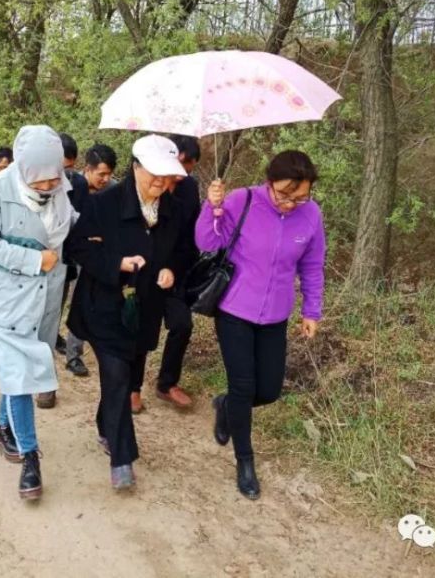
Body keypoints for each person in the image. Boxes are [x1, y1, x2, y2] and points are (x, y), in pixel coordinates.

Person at [196, 150, 326, 500]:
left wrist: (311, 311)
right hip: (235, 309)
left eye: (300, 197)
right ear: (269, 183)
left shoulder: (311, 216)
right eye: (284, 195)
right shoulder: (243, 200)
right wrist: (213, 207)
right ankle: (245, 462)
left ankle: (226, 406)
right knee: (243, 385)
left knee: (268, 390)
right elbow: (207, 243)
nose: (290, 204)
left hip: (276, 315)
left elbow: (312, 267)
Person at [65, 135, 187, 490]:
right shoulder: (103, 203)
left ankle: (106, 424)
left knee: (126, 372)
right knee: (117, 375)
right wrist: (116, 262)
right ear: (135, 168)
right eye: (154, 176)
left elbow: (183, 251)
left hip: (145, 308)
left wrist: (171, 271)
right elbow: (78, 248)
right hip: (104, 306)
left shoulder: (173, 208)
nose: (161, 184)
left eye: (167, 178)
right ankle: (122, 459)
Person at [0, 126, 73, 500]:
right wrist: (35, 259)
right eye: (40, 179)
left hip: (44, 298)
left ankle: (2, 425)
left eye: (54, 177)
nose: (48, 185)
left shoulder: (63, 190)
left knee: (21, 372)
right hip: (2, 299)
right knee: (18, 373)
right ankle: (31, 457)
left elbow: (69, 226)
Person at [141, 134, 201, 412]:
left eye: (186, 172)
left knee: (182, 325)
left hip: (176, 271)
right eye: (178, 169)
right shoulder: (149, 183)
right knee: (141, 329)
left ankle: (166, 383)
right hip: (145, 269)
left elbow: (192, 233)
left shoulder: (190, 189)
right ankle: (132, 387)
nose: (179, 178)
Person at [48, 132, 91, 391]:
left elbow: (79, 220)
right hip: (44, 260)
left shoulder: (79, 184)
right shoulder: (33, 184)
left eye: (70, 167)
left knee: (74, 305)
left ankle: (72, 355)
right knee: (49, 310)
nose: (66, 174)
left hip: (71, 257)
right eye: (62, 168)